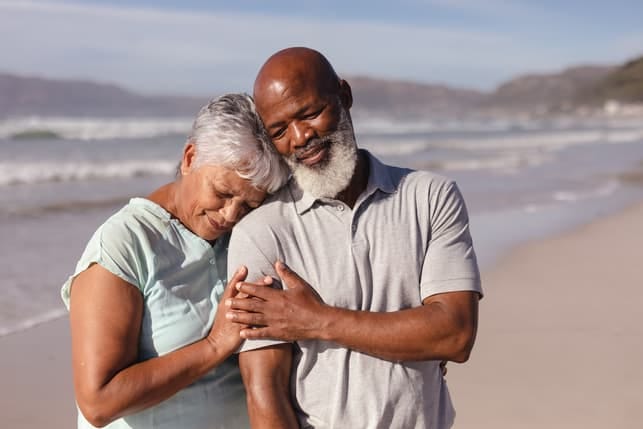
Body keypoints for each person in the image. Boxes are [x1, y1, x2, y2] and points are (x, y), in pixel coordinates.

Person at [226, 47, 483, 428]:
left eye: (310, 113)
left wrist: (316, 320)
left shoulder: (429, 197)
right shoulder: (261, 233)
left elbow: (455, 334)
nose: (300, 138)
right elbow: (265, 393)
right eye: (279, 131)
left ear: (344, 96)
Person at [60, 93, 291, 429]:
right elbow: (99, 402)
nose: (230, 214)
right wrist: (214, 345)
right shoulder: (126, 243)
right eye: (223, 193)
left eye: (248, 204)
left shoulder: (243, 235)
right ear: (189, 157)